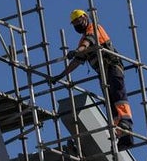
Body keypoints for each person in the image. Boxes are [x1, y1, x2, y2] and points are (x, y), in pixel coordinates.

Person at [48, 9, 134, 150]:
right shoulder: (82, 39)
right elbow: (77, 61)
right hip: (103, 73)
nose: (77, 24)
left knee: (118, 95)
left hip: (112, 67)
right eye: (75, 23)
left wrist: (78, 50)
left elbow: (88, 42)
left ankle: (126, 121)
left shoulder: (94, 28)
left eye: (78, 21)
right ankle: (123, 136)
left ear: (85, 18)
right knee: (110, 103)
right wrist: (61, 75)